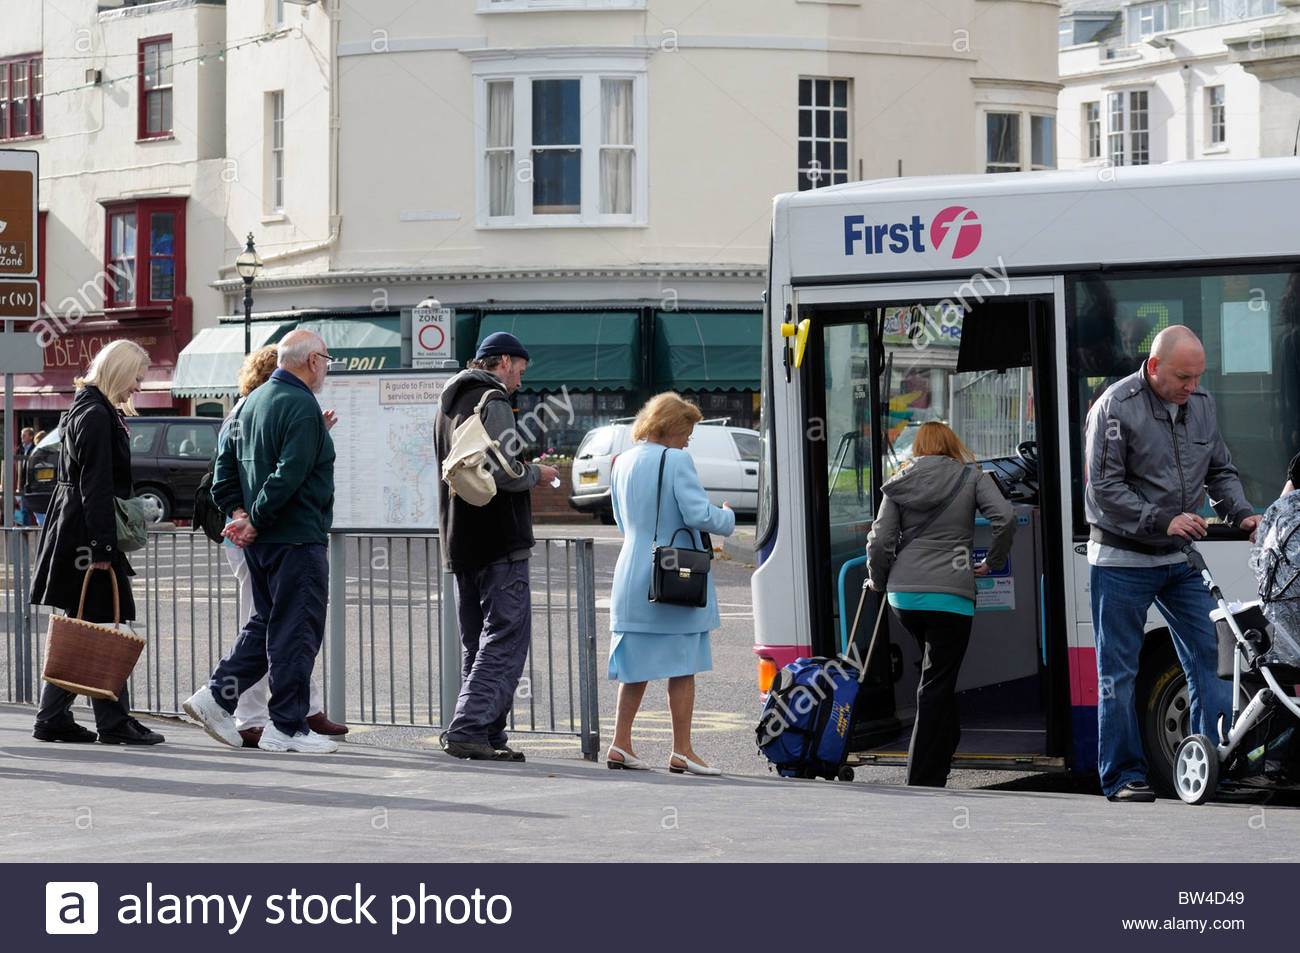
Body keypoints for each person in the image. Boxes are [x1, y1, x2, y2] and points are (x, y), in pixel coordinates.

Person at [1084, 324, 1259, 802]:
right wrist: (1164, 519)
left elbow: (1220, 469)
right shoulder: (1115, 408)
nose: (1192, 388)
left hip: (1177, 557)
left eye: (1198, 378)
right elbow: (1104, 490)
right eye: (1184, 377)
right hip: (1121, 559)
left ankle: (1212, 771)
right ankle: (1122, 778)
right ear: (1155, 366)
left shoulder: (1200, 404)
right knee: (1117, 674)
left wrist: (1241, 514)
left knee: (1215, 659)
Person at [182, 330, 340, 754]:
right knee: (296, 631)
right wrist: (254, 518)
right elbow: (288, 474)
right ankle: (286, 727)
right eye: (326, 359)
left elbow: (224, 470)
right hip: (296, 539)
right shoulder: (302, 405)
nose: (327, 367)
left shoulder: (250, 403)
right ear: (311, 361)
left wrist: (239, 513)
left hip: (264, 542)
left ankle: (215, 696)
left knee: (266, 624)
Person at [29, 340, 165, 745]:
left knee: (88, 624)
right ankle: (109, 721)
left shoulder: (85, 408)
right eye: (136, 377)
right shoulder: (96, 415)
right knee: (98, 623)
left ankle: (60, 717)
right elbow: (96, 486)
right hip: (88, 538)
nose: (138, 386)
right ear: (118, 372)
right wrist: (104, 549)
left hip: (76, 532)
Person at [433, 331, 560, 762]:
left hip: (458, 541)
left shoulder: (447, 403)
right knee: (505, 639)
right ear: (503, 361)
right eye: (520, 371)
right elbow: (505, 471)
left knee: (479, 644)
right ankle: (470, 728)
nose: (520, 381)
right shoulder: (493, 399)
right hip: (499, 541)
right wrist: (536, 475)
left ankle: (485, 735)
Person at [864, 421, 1014, 787]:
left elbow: (880, 539)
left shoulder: (899, 480)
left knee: (936, 675)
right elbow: (1005, 518)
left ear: (918, 447)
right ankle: (922, 778)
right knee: (936, 683)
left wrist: (879, 581)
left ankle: (946, 746)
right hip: (951, 595)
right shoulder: (972, 477)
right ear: (951, 443)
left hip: (905, 598)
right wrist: (992, 562)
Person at [604, 393, 736, 775]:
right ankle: (682, 750)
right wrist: (726, 518)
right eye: (686, 432)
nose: (688, 440)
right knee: (683, 663)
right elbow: (696, 513)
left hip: (633, 571)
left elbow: (621, 520)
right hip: (673, 573)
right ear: (670, 427)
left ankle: (621, 744)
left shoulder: (622, 461)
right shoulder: (676, 459)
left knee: (636, 666)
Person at [16, 426, 36, 526]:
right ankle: (25, 528)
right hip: (22, 482)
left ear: (31, 437)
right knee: (24, 509)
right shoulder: (20, 449)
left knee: (36, 509)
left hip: (32, 482)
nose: (22, 437)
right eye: (21, 435)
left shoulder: (35, 449)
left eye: (24, 435)